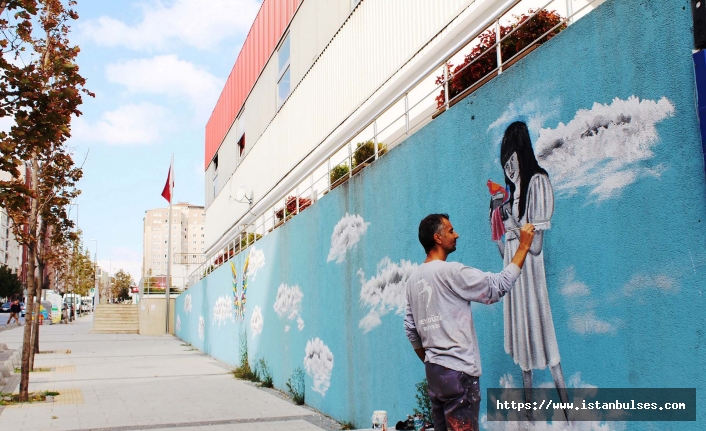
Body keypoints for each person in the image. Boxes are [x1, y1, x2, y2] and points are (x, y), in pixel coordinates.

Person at [404, 213, 536, 431]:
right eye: (450, 231)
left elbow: (410, 330)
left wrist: (433, 360)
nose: (456, 235)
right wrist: (523, 246)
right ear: (438, 238)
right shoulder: (451, 272)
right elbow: (497, 286)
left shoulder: (413, 280)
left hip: (435, 373)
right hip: (458, 373)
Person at [494, 121, 568, 416]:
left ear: (521, 154)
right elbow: (506, 251)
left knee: (547, 345)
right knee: (523, 349)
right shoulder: (512, 195)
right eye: (505, 166)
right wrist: (498, 228)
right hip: (515, 281)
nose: (509, 170)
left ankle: (568, 415)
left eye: (511, 162)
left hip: (532, 281)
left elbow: (535, 247)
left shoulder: (538, 183)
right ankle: (528, 418)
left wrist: (510, 224)